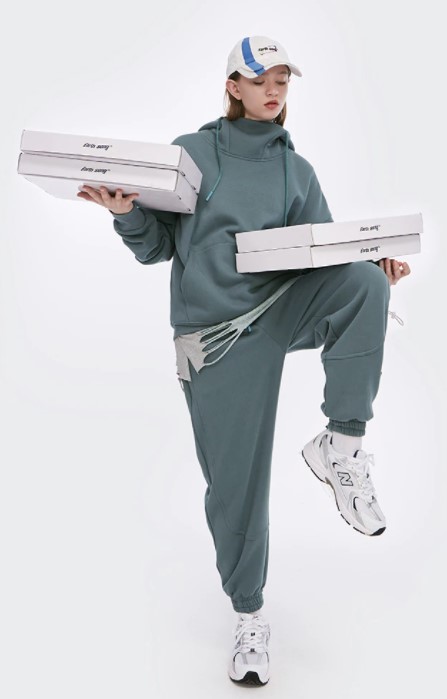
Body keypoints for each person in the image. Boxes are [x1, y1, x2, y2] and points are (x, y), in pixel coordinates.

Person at [78, 35, 411, 687]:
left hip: (279, 309)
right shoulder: (192, 154)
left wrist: (375, 267)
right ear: (233, 86)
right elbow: (156, 249)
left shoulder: (297, 171)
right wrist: (126, 214)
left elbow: (322, 258)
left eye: (282, 80)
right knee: (238, 490)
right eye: (261, 79)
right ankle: (249, 618)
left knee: (364, 284)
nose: (274, 90)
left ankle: (341, 446)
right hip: (215, 339)